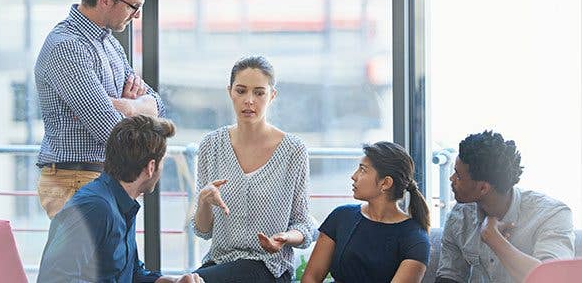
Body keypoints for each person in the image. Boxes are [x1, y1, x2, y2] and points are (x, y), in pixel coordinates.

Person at [34, 0, 165, 218]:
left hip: (100, 178)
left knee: (114, 255)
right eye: (133, 6)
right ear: (105, 0)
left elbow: (158, 106)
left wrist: (127, 107)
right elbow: (111, 132)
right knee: (92, 255)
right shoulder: (67, 47)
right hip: (76, 181)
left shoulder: (109, 45)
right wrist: (133, 113)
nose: (137, 15)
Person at [189, 56, 313, 282]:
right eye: (241, 91)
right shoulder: (211, 145)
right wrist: (204, 202)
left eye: (259, 92)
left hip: (269, 267)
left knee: (193, 280)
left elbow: (304, 226)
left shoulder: (293, 150)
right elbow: (203, 230)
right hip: (220, 263)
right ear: (230, 92)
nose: (249, 100)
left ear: (272, 95)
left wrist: (284, 238)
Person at [37, 115, 202, 283]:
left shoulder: (122, 203)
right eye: (163, 161)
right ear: (151, 167)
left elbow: (131, 273)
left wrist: (171, 282)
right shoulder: (95, 207)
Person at [435, 131, 575, 283]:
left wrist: (493, 239)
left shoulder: (551, 215)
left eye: (458, 175)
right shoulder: (459, 216)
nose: (451, 179)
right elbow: (449, 276)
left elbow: (552, 280)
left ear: (483, 188)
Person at [302, 141, 431, 283]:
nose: (354, 176)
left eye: (363, 170)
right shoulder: (340, 216)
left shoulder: (415, 238)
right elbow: (311, 278)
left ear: (385, 183)